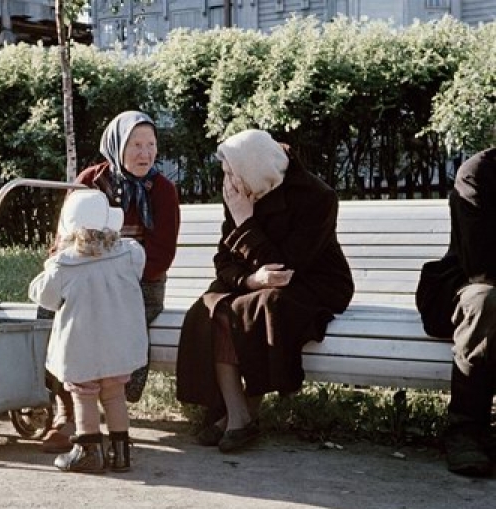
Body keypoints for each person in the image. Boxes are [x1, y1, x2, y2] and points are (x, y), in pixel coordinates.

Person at [176, 129, 354, 453]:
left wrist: (245, 221)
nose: (228, 182)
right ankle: (237, 412)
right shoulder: (240, 192)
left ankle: (241, 415)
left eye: (232, 172)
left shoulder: (317, 196)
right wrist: (249, 281)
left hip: (313, 282)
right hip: (256, 280)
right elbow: (223, 260)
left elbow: (285, 268)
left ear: (253, 168)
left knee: (258, 307)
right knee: (211, 307)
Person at [39, 110, 181, 454]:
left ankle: (109, 409)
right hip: (84, 276)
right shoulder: (90, 180)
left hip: (138, 282)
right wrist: (81, 271)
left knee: (109, 320)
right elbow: (64, 237)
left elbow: (161, 255)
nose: (145, 153)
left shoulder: (163, 191)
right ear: (117, 145)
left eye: (151, 145)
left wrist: (113, 275)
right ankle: (66, 411)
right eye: (136, 145)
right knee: (53, 318)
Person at [29, 189, 148, 473]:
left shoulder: (64, 265)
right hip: (118, 342)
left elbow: (44, 296)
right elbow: (138, 274)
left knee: (84, 394)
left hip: (81, 346)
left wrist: (52, 260)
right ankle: (120, 453)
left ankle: (89, 451)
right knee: (114, 393)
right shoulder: (130, 253)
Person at [415, 147, 496, 477]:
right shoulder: (477, 173)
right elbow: (480, 264)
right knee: (485, 301)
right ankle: (466, 431)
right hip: (469, 282)